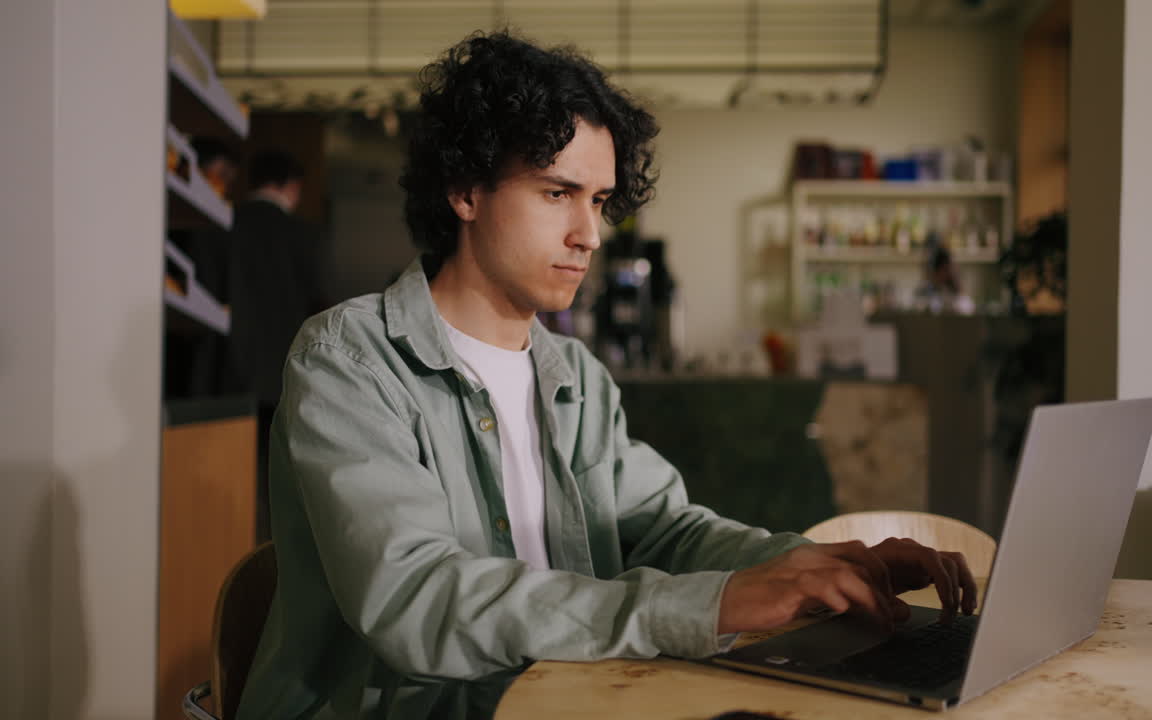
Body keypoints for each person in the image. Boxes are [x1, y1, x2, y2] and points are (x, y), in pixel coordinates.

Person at [236, 31, 976, 720]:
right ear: (465, 191)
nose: (588, 234)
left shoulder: (575, 376)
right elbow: (418, 599)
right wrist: (710, 606)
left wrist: (812, 564)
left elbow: (663, 530)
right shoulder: (348, 359)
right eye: (557, 193)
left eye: (597, 201)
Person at [226, 148, 327, 540]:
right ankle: (265, 548)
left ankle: (229, 540)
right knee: (275, 475)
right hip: (283, 366)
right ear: (292, 186)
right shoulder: (303, 235)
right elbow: (318, 300)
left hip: (226, 365)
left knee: (222, 463)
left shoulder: (224, 223)